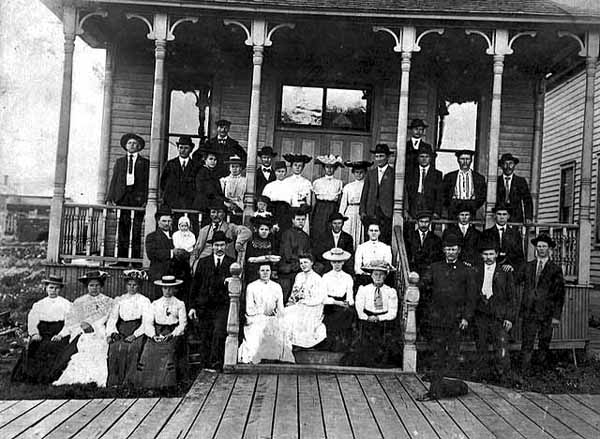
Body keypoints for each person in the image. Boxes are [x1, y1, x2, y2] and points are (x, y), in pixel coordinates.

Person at [422, 234, 477, 394]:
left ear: (459, 251)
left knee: (453, 349)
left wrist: (466, 317)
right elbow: (425, 287)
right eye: (448, 249)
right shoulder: (435, 267)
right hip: (438, 317)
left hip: (456, 318)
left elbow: (471, 297)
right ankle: (437, 378)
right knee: (437, 348)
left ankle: (450, 381)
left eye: (453, 249)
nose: (450, 252)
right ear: (444, 250)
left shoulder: (466, 270)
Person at [53, 271, 114, 387]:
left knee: (99, 348)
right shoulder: (79, 302)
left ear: (101, 286)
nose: (94, 288)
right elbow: (71, 322)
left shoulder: (108, 302)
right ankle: (82, 378)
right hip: (82, 333)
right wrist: (64, 333)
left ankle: (95, 378)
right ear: (87, 287)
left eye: (97, 285)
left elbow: (111, 321)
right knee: (82, 347)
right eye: (91, 285)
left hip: (101, 332)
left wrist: (107, 333)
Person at [12, 276, 73, 384]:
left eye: (57, 288)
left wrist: (61, 335)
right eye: (51, 288)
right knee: (34, 346)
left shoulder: (66, 304)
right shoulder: (39, 304)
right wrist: (35, 333)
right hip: (43, 332)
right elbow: (32, 320)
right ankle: (31, 376)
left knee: (52, 346)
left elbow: (70, 322)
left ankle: (48, 377)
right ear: (46, 288)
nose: (53, 291)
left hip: (58, 332)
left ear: (60, 289)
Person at [518, 234, 565, 373]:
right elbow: (516, 279)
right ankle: (524, 372)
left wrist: (556, 316)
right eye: (539, 246)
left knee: (544, 343)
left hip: (547, 313)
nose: (541, 249)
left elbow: (559, 295)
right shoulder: (528, 266)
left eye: (544, 246)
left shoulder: (555, 269)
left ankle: (540, 372)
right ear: (535, 248)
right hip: (529, 311)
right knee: (527, 342)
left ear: (549, 249)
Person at [188, 231, 235, 369]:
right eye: (216, 245)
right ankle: (205, 366)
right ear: (212, 246)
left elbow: (237, 286)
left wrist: (231, 281)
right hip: (205, 306)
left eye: (222, 245)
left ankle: (217, 364)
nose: (219, 248)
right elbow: (195, 285)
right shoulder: (203, 262)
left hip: (222, 306)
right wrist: (192, 307)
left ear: (226, 246)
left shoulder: (231, 263)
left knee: (219, 333)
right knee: (205, 334)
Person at [135, 275, 187, 389]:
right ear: (161, 288)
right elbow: (148, 323)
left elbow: (182, 324)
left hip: (172, 332)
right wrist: (153, 335)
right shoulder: (155, 304)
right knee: (149, 350)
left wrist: (173, 334)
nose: (167, 291)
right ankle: (148, 384)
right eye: (165, 288)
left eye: (170, 288)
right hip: (157, 332)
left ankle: (167, 384)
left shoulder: (179, 304)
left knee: (168, 351)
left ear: (174, 289)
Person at [473, 239, 515, 378]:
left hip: (499, 315)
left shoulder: (504, 271)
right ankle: (482, 374)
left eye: (491, 254)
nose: (488, 257)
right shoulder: (476, 270)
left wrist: (509, 317)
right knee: (481, 345)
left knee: (501, 345)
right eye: (485, 254)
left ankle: (502, 375)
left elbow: (511, 297)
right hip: (481, 313)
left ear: (497, 254)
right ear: (481, 255)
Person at [238, 262, 294, 364]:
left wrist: (277, 315)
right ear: (258, 272)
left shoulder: (277, 286)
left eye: (267, 270)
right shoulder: (251, 287)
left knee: (280, 326)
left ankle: (277, 357)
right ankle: (257, 357)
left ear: (271, 272)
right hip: (256, 317)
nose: (265, 273)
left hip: (273, 316)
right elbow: (249, 308)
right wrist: (263, 314)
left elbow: (280, 307)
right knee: (259, 328)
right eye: (262, 270)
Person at [106, 133, 149, 261]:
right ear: (125, 146)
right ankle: (121, 260)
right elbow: (114, 180)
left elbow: (147, 183)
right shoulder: (120, 162)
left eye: (135, 144)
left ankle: (135, 260)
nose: (132, 145)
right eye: (130, 143)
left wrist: (146, 200)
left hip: (137, 199)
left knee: (135, 230)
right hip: (122, 198)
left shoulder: (145, 163)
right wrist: (110, 198)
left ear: (139, 147)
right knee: (122, 230)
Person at [106, 269, 152, 387]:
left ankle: (129, 382)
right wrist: (112, 333)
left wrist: (135, 335)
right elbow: (112, 319)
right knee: (115, 348)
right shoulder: (119, 299)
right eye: (129, 285)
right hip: (121, 328)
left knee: (132, 348)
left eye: (134, 285)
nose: (132, 287)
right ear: (126, 285)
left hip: (137, 329)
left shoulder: (144, 300)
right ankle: (114, 382)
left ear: (139, 286)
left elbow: (146, 322)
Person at [354, 260, 399, 366]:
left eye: (381, 274)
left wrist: (379, 318)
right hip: (367, 321)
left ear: (385, 276)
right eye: (375, 274)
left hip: (384, 322)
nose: (378, 277)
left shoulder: (390, 291)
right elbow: (359, 309)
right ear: (371, 275)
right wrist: (367, 317)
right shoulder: (364, 290)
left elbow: (393, 312)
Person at [189, 200, 251, 274]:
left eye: (219, 212)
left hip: (225, 264)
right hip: (206, 265)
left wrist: (239, 242)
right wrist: (193, 264)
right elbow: (197, 249)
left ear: (224, 214)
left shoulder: (230, 228)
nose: (216, 215)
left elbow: (247, 232)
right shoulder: (204, 230)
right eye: (213, 212)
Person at [283, 253, 327, 348]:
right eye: (301, 263)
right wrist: (291, 301)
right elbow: (294, 292)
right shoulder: (299, 276)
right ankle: (288, 344)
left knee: (296, 318)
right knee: (285, 314)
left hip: (313, 307)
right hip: (299, 305)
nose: (303, 265)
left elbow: (319, 298)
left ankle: (298, 343)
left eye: (306, 262)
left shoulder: (317, 279)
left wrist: (305, 302)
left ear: (311, 263)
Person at [145, 206, 188, 299]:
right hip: (160, 275)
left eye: (169, 221)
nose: (167, 224)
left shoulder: (177, 235)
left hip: (177, 276)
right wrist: (172, 252)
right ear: (158, 221)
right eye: (164, 221)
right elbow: (151, 254)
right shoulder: (152, 237)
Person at [159, 135, 200, 233]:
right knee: (174, 230)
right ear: (177, 148)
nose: (183, 150)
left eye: (186, 148)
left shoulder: (196, 166)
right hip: (173, 204)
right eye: (181, 147)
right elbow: (163, 183)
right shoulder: (170, 164)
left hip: (189, 205)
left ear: (191, 149)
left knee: (189, 230)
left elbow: (198, 186)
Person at [360, 143, 394, 244]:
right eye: (377, 156)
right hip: (371, 212)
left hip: (386, 212)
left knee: (384, 238)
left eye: (381, 156)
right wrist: (362, 211)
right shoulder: (371, 173)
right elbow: (364, 194)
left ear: (387, 157)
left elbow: (402, 192)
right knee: (370, 238)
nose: (378, 159)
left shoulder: (393, 173)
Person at [321, 248, 355, 351]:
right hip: (329, 304)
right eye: (334, 262)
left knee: (348, 312)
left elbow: (350, 297)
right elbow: (323, 297)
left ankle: (341, 344)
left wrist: (347, 302)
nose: (337, 264)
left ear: (343, 262)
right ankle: (332, 343)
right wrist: (337, 302)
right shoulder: (325, 277)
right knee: (335, 314)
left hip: (342, 303)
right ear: (331, 262)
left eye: (339, 262)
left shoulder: (348, 277)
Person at [278, 206, 312, 301]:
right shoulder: (287, 234)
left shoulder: (306, 236)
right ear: (293, 220)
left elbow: (309, 253)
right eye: (298, 219)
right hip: (289, 267)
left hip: (301, 266)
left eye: (303, 219)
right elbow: (287, 254)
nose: (301, 222)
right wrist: (300, 262)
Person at [442, 150, 486, 219]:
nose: (465, 162)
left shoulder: (479, 178)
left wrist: (474, 205)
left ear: (471, 160)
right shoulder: (449, 177)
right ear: (458, 160)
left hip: (471, 210)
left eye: (467, 159)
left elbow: (482, 196)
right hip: (454, 210)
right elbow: (444, 194)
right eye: (462, 159)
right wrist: (451, 205)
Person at [404, 144, 442, 220]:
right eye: (421, 156)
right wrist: (405, 210)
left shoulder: (437, 174)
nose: (424, 159)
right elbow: (406, 192)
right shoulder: (410, 173)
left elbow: (439, 195)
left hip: (429, 206)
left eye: (427, 157)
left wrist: (436, 212)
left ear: (431, 158)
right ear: (417, 158)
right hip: (414, 204)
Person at [340, 160, 372, 250]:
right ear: (353, 173)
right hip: (350, 212)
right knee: (349, 233)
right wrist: (341, 216)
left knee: (360, 234)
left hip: (361, 212)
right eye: (357, 172)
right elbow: (343, 204)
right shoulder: (348, 187)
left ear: (365, 173)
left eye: (361, 172)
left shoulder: (367, 185)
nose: (359, 175)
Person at [311, 155, 344, 243]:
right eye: (327, 167)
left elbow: (340, 200)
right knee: (318, 230)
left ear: (335, 169)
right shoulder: (317, 182)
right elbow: (314, 200)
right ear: (324, 168)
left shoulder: (339, 183)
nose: (329, 169)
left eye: (332, 167)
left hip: (332, 208)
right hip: (320, 209)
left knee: (330, 231)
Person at [482, 203, 524, 269]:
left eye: (504, 214)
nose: (502, 217)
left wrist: (512, 265)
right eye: (499, 214)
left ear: (508, 216)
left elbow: (519, 255)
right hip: (492, 266)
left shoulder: (515, 234)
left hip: (510, 267)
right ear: (495, 216)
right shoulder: (487, 233)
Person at [496, 153, 533, 223]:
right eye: (505, 164)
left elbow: (527, 200)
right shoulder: (496, 182)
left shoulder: (520, 181)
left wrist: (528, 217)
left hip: (516, 218)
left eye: (511, 164)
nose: (508, 167)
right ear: (501, 166)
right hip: (500, 218)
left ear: (514, 165)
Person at [404, 210, 444, 275]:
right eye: (421, 222)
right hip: (413, 271)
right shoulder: (410, 237)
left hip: (429, 271)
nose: (424, 225)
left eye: (426, 222)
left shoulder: (436, 239)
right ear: (417, 222)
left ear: (430, 223)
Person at [354, 219, 393, 286]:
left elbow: (388, 266)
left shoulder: (386, 248)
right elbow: (357, 267)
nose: (373, 233)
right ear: (368, 232)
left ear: (379, 232)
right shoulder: (361, 247)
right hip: (365, 279)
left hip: (381, 278)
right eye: (371, 230)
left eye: (376, 231)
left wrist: (379, 276)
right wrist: (367, 275)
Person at [283, 153, 313, 235]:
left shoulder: (307, 182)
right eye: (295, 165)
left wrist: (305, 208)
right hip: (290, 211)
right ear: (291, 166)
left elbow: (309, 201)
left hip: (302, 212)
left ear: (303, 167)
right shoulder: (286, 181)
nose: (297, 167)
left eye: (300, 165)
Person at [245, 216, 278, 283]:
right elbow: (249, 259)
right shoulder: (251, 242)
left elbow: (277, 258)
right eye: (262, 229)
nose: (264, 232)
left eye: (266, 230)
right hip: (254, 272)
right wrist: (267, 258)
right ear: (257, 230)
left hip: (268, 273)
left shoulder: (272, 242)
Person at [263, 160, 293, 233]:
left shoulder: (290, 186)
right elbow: (264, 200)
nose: (280, 174)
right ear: (275, 172)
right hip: (273, 211)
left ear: (285, 172)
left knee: (284, 231)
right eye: (278, 171)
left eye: (282, 171)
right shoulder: (269, 186)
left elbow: (293, 201)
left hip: (285, 212)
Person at [192, 148, 225, 215]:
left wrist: (227, 200)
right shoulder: (202, 173)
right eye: (210, 159)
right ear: (205, 160)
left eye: (215, 160)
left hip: (211, 205)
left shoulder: (213, 174)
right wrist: (224, 201)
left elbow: (218, 192)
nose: (213, 161)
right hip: (203, 206)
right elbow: (209, 192)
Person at [220, 154, 247, 224]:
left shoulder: (245, 181)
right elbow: (221, 195)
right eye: (232, 167)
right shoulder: (224, 180)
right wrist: (227, 204)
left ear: (241, 168)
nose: (235, 169)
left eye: (237, 167)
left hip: (239, 206)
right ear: (229, 168)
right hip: (226, 206)